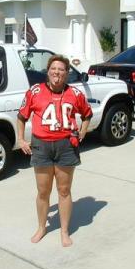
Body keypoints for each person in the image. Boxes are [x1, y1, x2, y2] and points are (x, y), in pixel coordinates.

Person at [17, 54, 92, 247]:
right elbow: (22, 116)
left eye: (61, 69)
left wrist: (82, 132)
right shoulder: (34, 91)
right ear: (48, 71)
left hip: (66, 146)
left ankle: (64, 232)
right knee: (43, 191)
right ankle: (42, 227)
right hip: (41, 146)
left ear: (67, 73)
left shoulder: (75, 94)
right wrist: (21, 139)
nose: (57, 73)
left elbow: (87, 114)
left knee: (64, 190)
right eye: (53, 69)